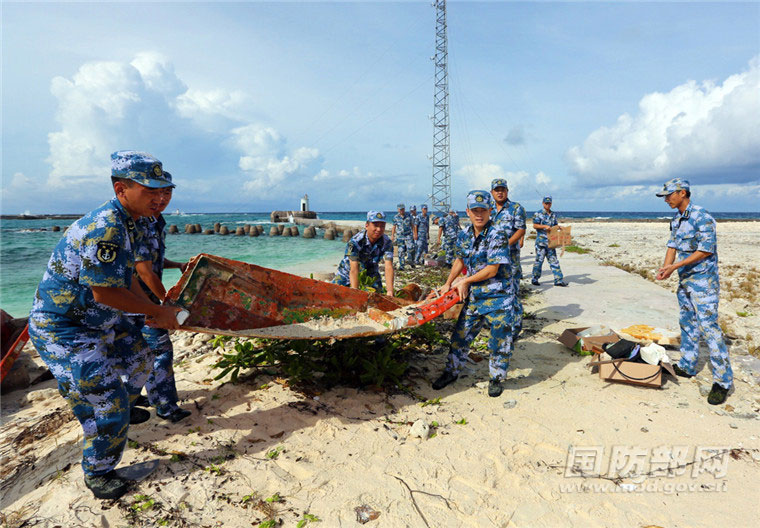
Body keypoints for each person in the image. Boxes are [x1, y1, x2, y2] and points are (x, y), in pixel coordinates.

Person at [27, 150, 182, 499]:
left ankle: (114, 410)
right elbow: (104, 294)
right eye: (149, 190)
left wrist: (152, 310)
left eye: (164, 190)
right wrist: (159, 313)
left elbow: (125, 279)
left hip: (101, 321)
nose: (159, 198)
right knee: (107, 404)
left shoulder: (134, 220)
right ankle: (99, 473)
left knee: (142, 360)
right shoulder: (106, 228)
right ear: (121, 188)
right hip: (65, 329)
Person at [654, 178, 732, 405]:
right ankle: (688, 366)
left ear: (683, 193)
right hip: (685, 281)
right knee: (687, 323)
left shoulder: (702, 216)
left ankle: (723, 382)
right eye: (665, 196)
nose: (666, 199)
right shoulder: (676, 219)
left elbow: (706, 250)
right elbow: (672, 246)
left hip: (704, 282)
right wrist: (666, 267)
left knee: (709, 328)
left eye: (669, 195)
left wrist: (675, 265)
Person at [431, 190, 515, 398]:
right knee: (460, 336)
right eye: (475, 210)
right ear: (467, 212)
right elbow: (460, 260)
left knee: (499, 339)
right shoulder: (465, 234)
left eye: (483, 210)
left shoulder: (497, 234)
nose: (479, 215)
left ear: (489, 212)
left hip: (498, 297)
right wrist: (448, 282)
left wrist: (465, 281)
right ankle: (451, 372)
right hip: (476, 297)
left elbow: (492, 269)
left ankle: (496, 378)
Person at [133, 172, 192, 423]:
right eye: (155, 192)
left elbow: (152, 262)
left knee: (135, 352)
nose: (162, 198)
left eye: (167, 192)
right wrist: (166, 304)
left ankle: (135, 397)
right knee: (160, 351)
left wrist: (176, 264)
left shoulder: (157, 221)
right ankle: (166, 406)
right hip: (134, 301)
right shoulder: (139, 223)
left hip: (139, 301)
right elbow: (143, 271)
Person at [490, 178, 527, 341]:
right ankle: (498, 324)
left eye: (502, 189)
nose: (500, 192)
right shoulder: (488, 210)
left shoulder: (516, 208)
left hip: (510, 259)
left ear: (507, 191)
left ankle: (515, 327)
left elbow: (520, 230)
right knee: (495, 290)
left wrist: (504, 245)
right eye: (496, 190)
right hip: (492, 260)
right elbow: (484, 230)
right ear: (492, 192)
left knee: (512, 292)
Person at [334, 211, 395, 296]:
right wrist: (355, 293)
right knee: (334, 294)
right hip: (347, 273)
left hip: (371, 272)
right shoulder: (355, 242)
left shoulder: (387, 242)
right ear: (367, 225)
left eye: (382, 226)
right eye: (376, 225)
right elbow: (354, 269)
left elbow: (389, 266)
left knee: (378, 298)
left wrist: (390, 291)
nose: (379, 229)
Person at [531, 196, 568, 287]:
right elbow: (535, 225)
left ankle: (558, 280)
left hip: (551, 242)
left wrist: (559, 227)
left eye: (549, 203)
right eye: (546, 203)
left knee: (554, 261)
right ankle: (534, 279)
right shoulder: (538, 214)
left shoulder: (553, 214)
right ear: (543, 203)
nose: (548, 205)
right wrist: (544, 226)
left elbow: (554, 225)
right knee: (539, 261)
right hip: (541, 243)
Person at [391, 203, 416, 270]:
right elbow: (394, 227)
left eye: (403, 209)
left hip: (408, 235)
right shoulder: (396, 217)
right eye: (400, 209)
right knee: (401, 250)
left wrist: (414, 234)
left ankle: (411, 262)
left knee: (411, 248)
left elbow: (412, 225)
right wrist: (392, 236)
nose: (402, 210)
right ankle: (402, 265)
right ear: (398, 210)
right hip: (400, 236)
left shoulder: (409, 215)